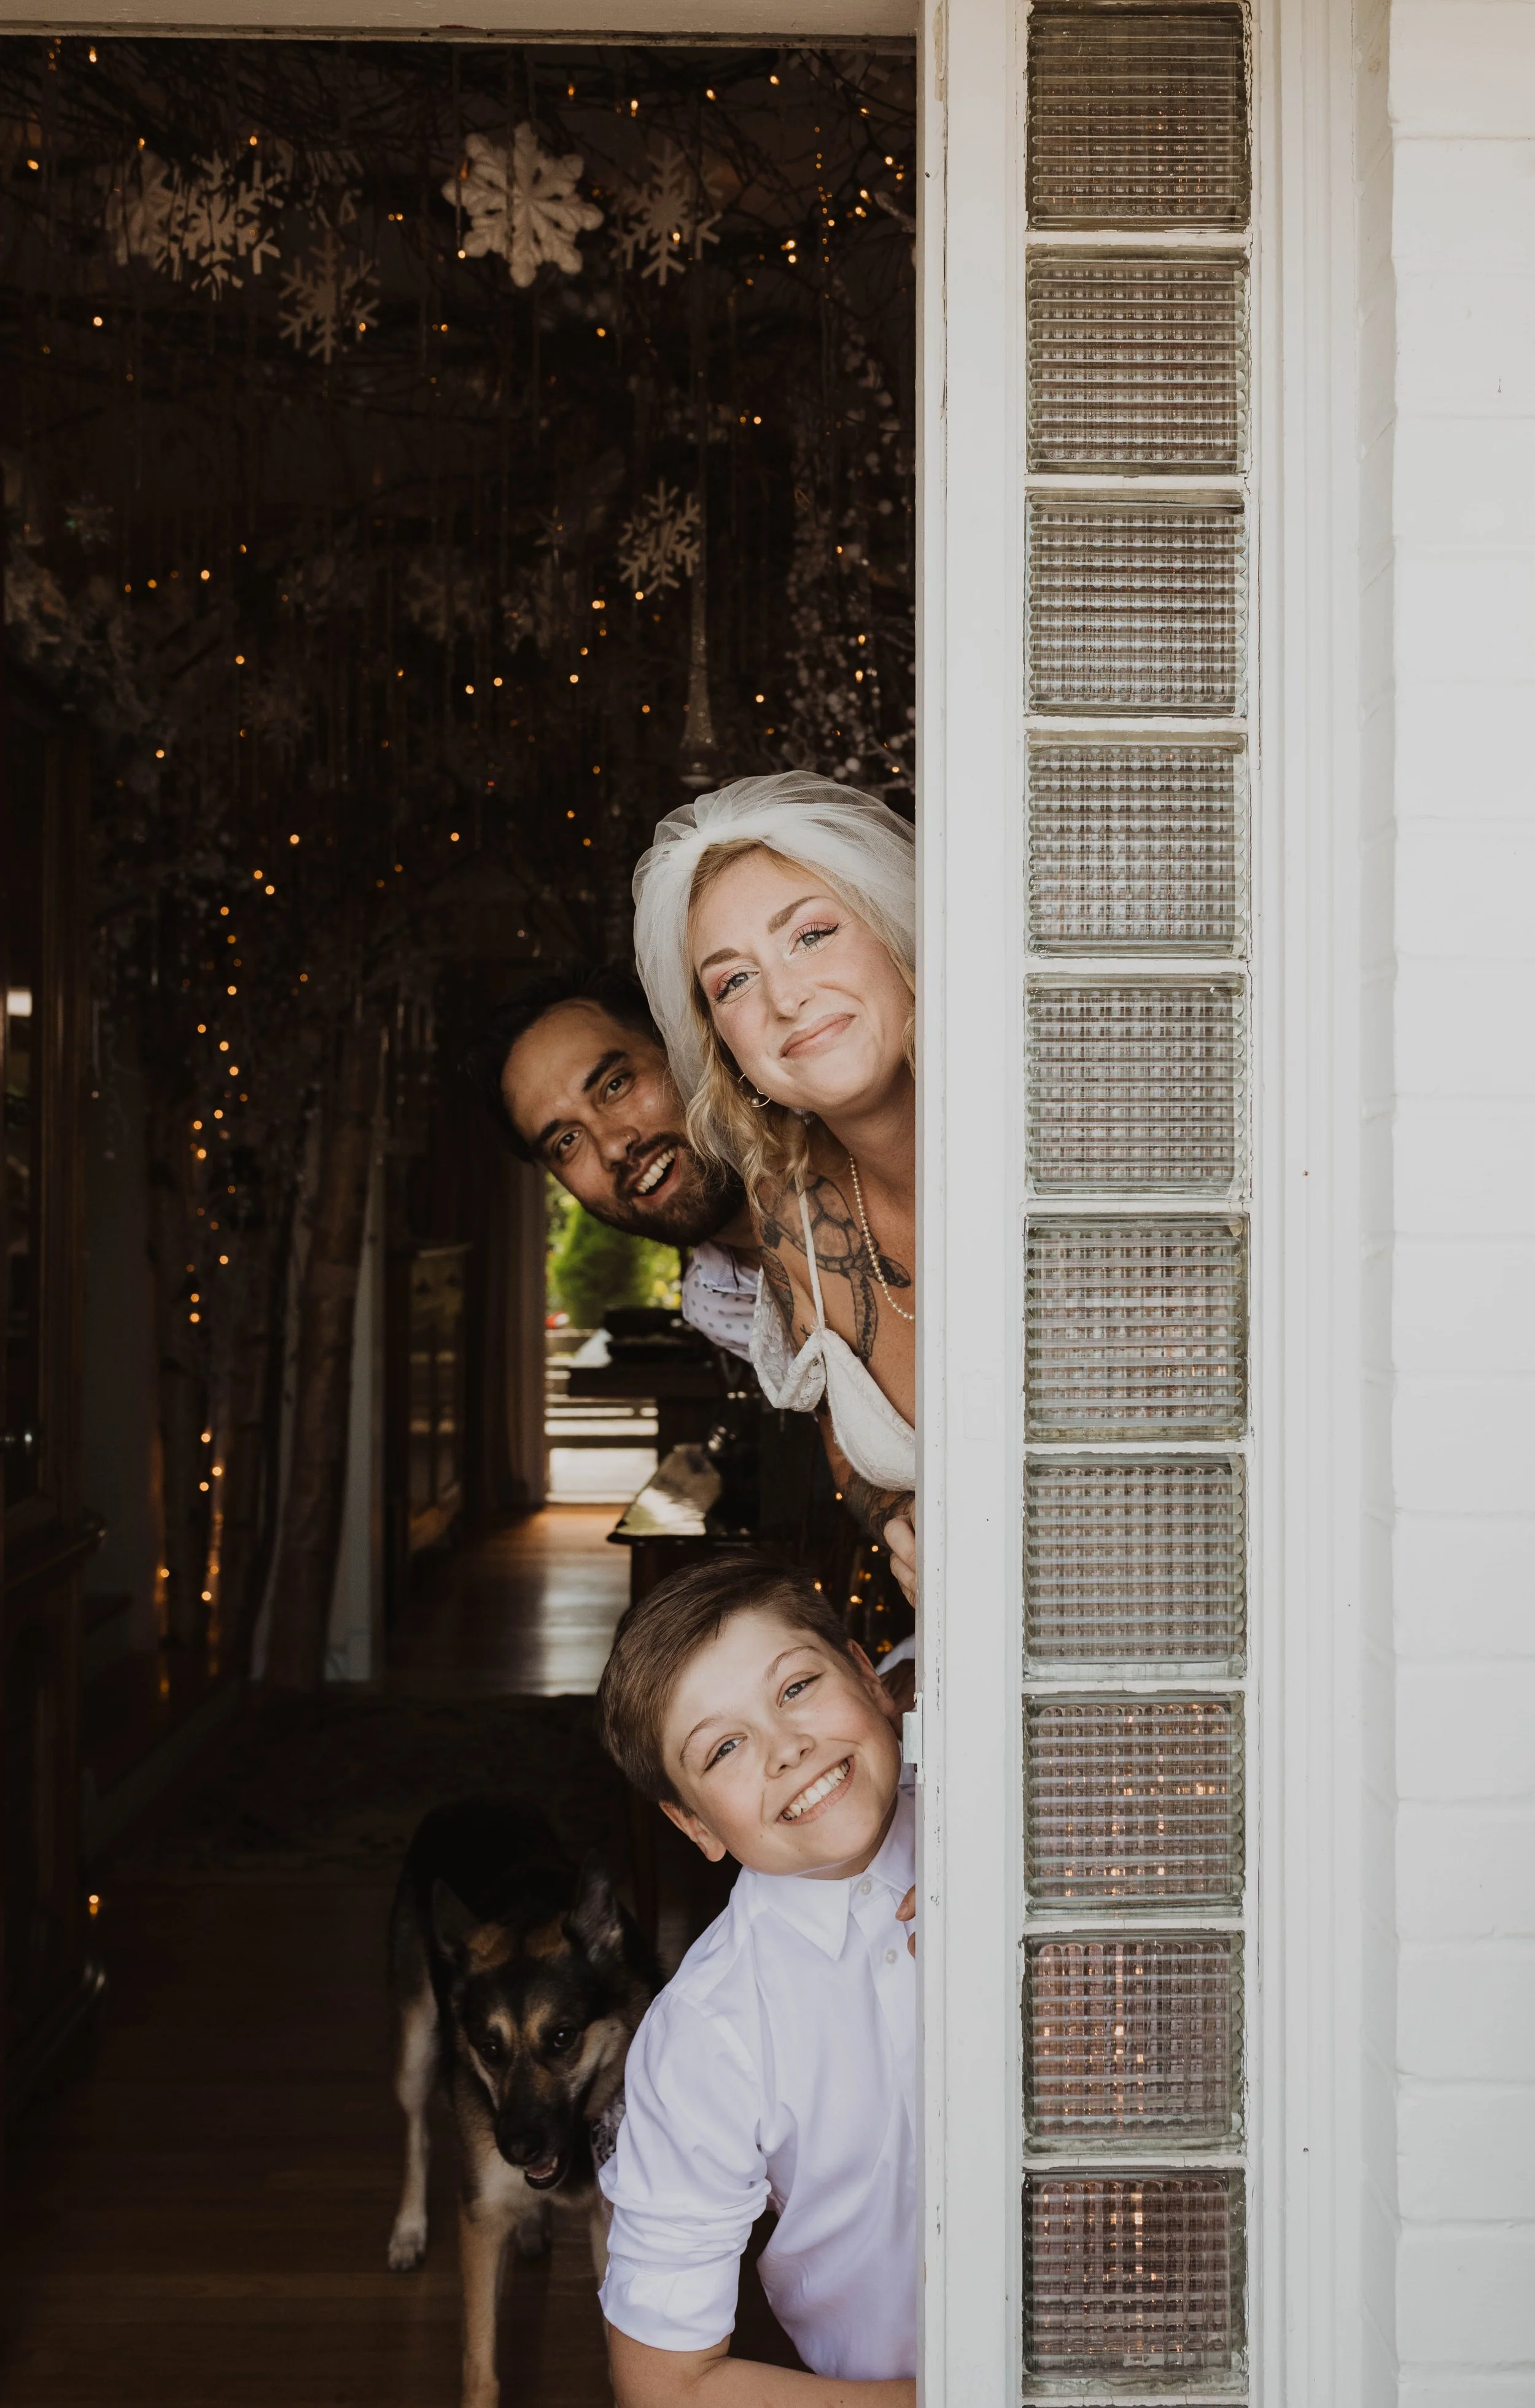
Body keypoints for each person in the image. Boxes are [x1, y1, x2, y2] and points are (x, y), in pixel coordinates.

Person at [594, 1554, 917, 2408]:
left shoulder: (1044, 1806)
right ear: (695, 1824)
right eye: (725, 1747)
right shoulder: (707, 2035)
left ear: (868, 1676)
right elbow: (665, 2385)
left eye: (797, 1687)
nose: (787, 1748)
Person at [632, 775, 918, 1606]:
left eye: (812, 935)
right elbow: (851, 1452)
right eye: (733, 982)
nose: (786, 998)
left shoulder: (1056, 1145)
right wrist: (902, 1526)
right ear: (726, 1051)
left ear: (898, 933)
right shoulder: (789, 1212)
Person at [474, 963, 761, 1359]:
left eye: (614, 1086)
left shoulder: (850, 1150)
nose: (612, 1147)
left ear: (682, 1051)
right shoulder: (715, 1309)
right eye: (567, 1141)